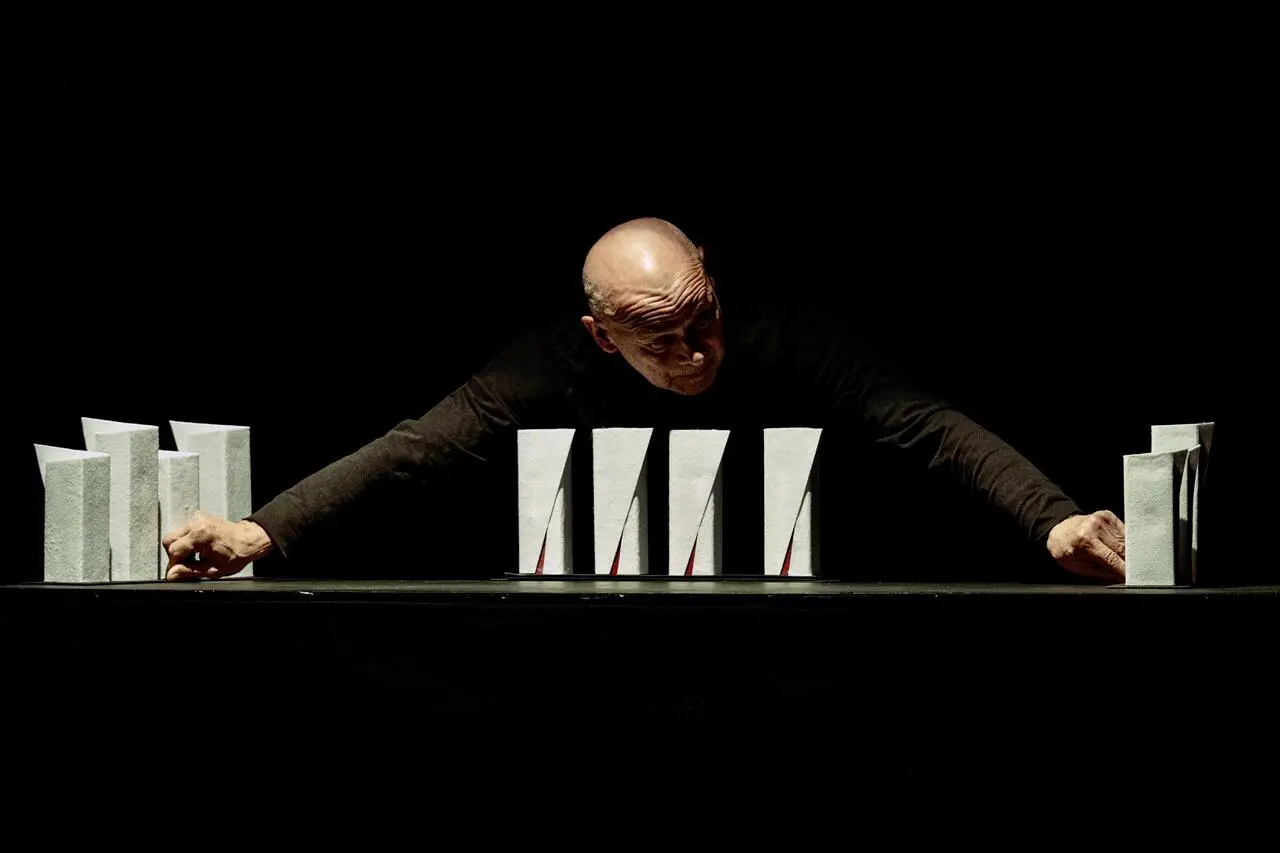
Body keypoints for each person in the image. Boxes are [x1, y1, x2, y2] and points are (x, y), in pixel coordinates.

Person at [162, 217, 1127, 583]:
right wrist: (263, 530)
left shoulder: (787, 334)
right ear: (601, 335)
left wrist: (1050, 520)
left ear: (708, 272)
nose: (694, 351)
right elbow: (420, 446)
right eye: (658, 340)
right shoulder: (550, 360)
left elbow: (928, 425)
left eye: (702, 318)